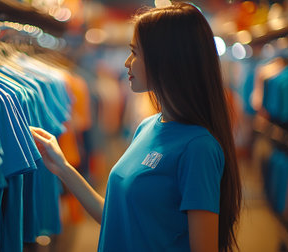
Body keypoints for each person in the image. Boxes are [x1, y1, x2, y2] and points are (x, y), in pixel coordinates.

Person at [30, 2, 242, 252]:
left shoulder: (198, 148)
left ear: (166, 59)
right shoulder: (147, 127)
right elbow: (117, 219)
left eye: (136, 52)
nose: (127, 63)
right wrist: (62, 167)